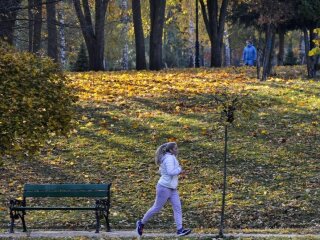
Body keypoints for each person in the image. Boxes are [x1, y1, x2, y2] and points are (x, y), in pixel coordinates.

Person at [136, 142, 192, 237]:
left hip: (172, 188)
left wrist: (178, 171)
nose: (177, 150)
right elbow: (170, 172)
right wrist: (180, 169)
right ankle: (141, 223)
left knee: (177, 208)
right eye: (175, 148)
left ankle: (180, 230)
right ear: (170, 150)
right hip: (164, 187)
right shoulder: (169, 158)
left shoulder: (169, 157)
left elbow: (165, 171)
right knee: (157, 208)